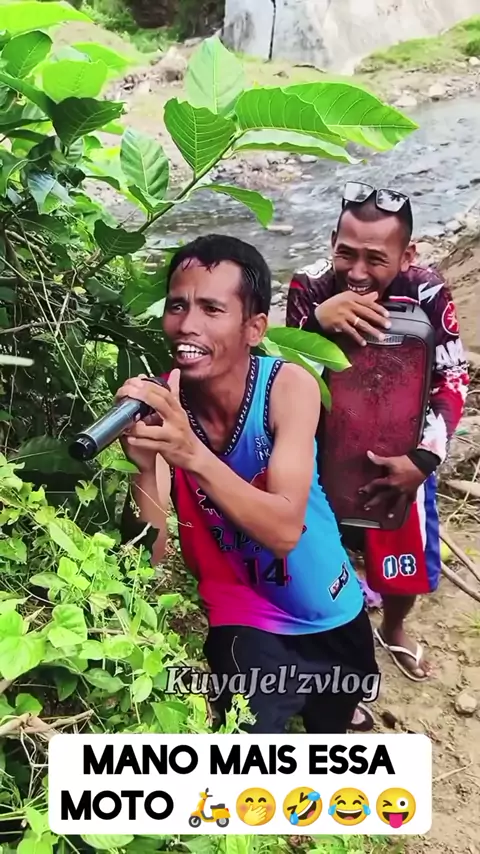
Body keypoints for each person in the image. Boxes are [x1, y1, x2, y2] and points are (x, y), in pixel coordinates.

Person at [117, 233, 378, 734]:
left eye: (212, 309)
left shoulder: (287, 386)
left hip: (329, 602)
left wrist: (190, 455)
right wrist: (144, 467)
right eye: (178, 305)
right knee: (252, 747)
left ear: (254, 327)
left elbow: (284, 530)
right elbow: (152, 557)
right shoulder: (165, 402)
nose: (187, 324)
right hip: (242, 609)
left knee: (331, 727)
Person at [285, 182, 469, 730]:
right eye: (347, 253)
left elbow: (452, 377)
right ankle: (339, 665)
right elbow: (285, 375)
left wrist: (424, 460)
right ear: (332, 242)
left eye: (376, 258)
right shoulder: (310, 287)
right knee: (322, 564)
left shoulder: (426, 291)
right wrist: (315, 324)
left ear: (407, 255)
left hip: (403, 460)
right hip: (325, 456)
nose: (358, 272)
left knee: (403, 569)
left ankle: (394, 627)